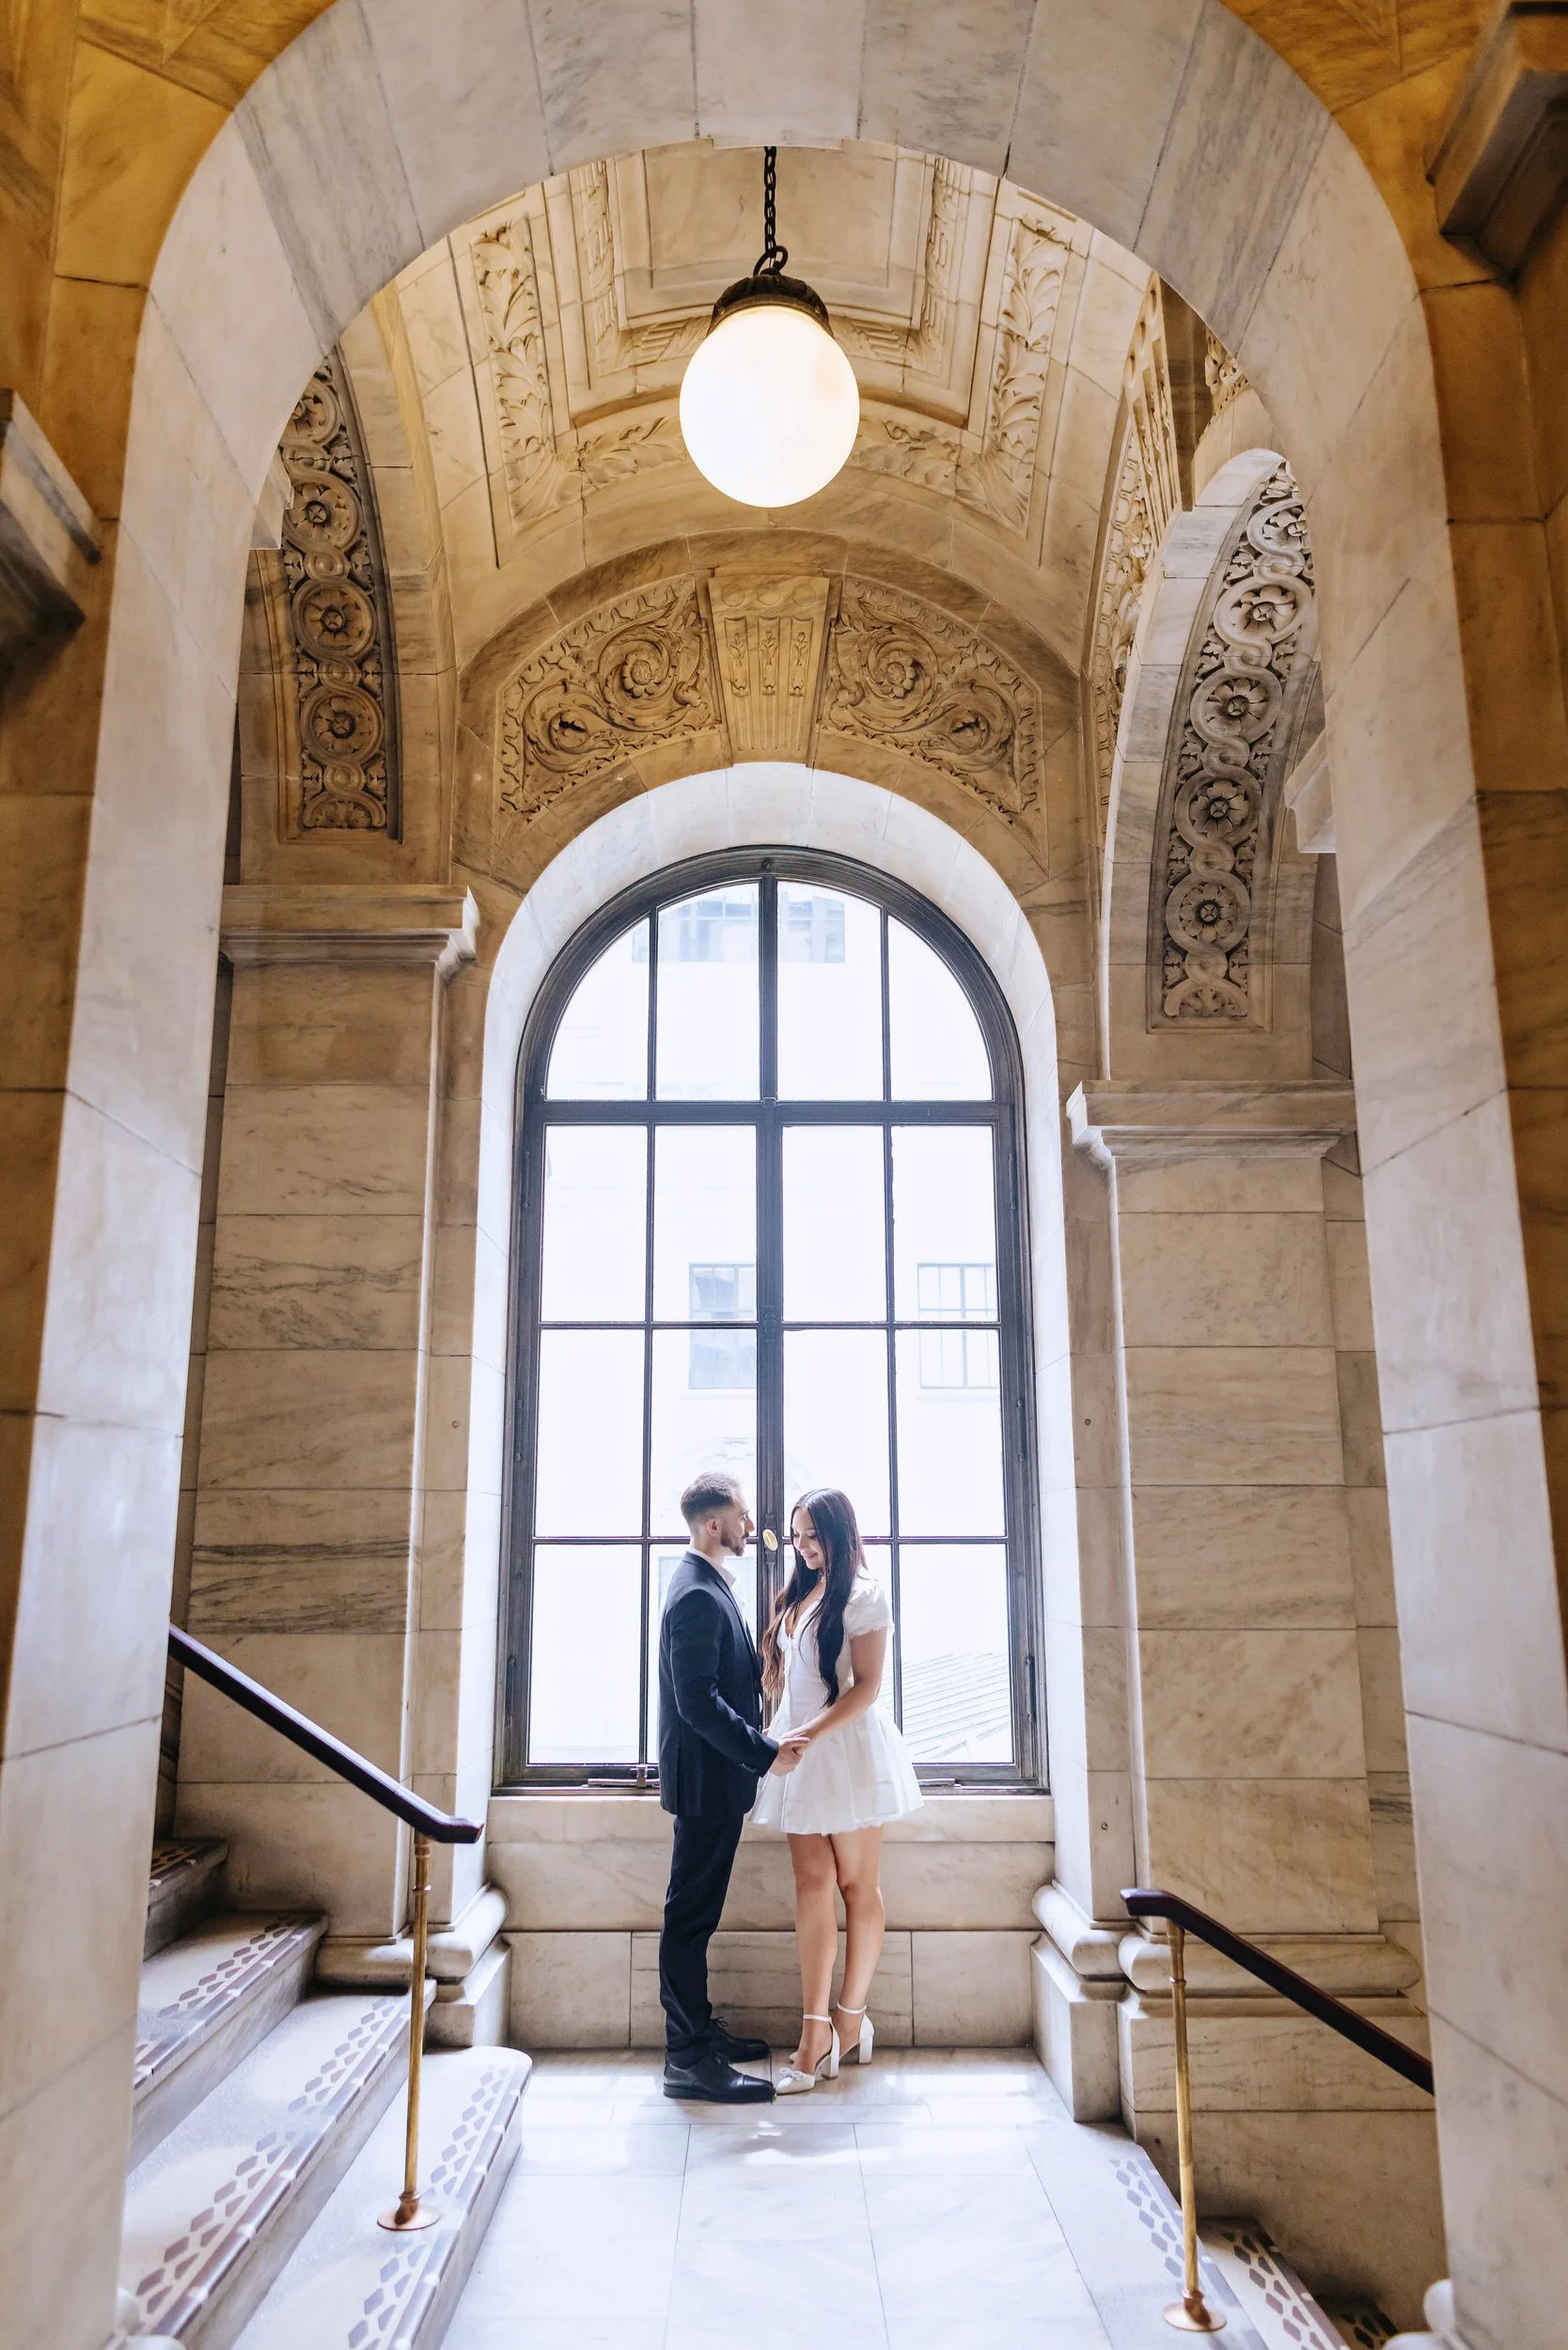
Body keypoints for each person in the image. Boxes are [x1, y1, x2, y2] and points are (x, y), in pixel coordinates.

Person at [751, 1487, 923, 2093]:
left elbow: (868, 1686)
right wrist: (782, 1738)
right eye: (797, 1536)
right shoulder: (802, 1593)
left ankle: (849, 2021)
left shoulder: (864, 1595)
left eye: (813, 1536)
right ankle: (814, 2027)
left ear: (841, 1534)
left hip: (845, 1750)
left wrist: (809, 1732)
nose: (803, 1547)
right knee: (812, 1886)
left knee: (856, 1885)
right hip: (797, 1750)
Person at [657, 1471, 807, 2103]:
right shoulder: (694, 1592)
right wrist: (764, 1753)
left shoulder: (707, 1583)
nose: (752, 1526)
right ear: (714, 1525)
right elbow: (697, 1702)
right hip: (705, 1783)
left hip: (714, 1782)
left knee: (696, 1914)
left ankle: (698, 2035)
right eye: (743, 1517)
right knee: (689, 1919)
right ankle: (686, 2058)